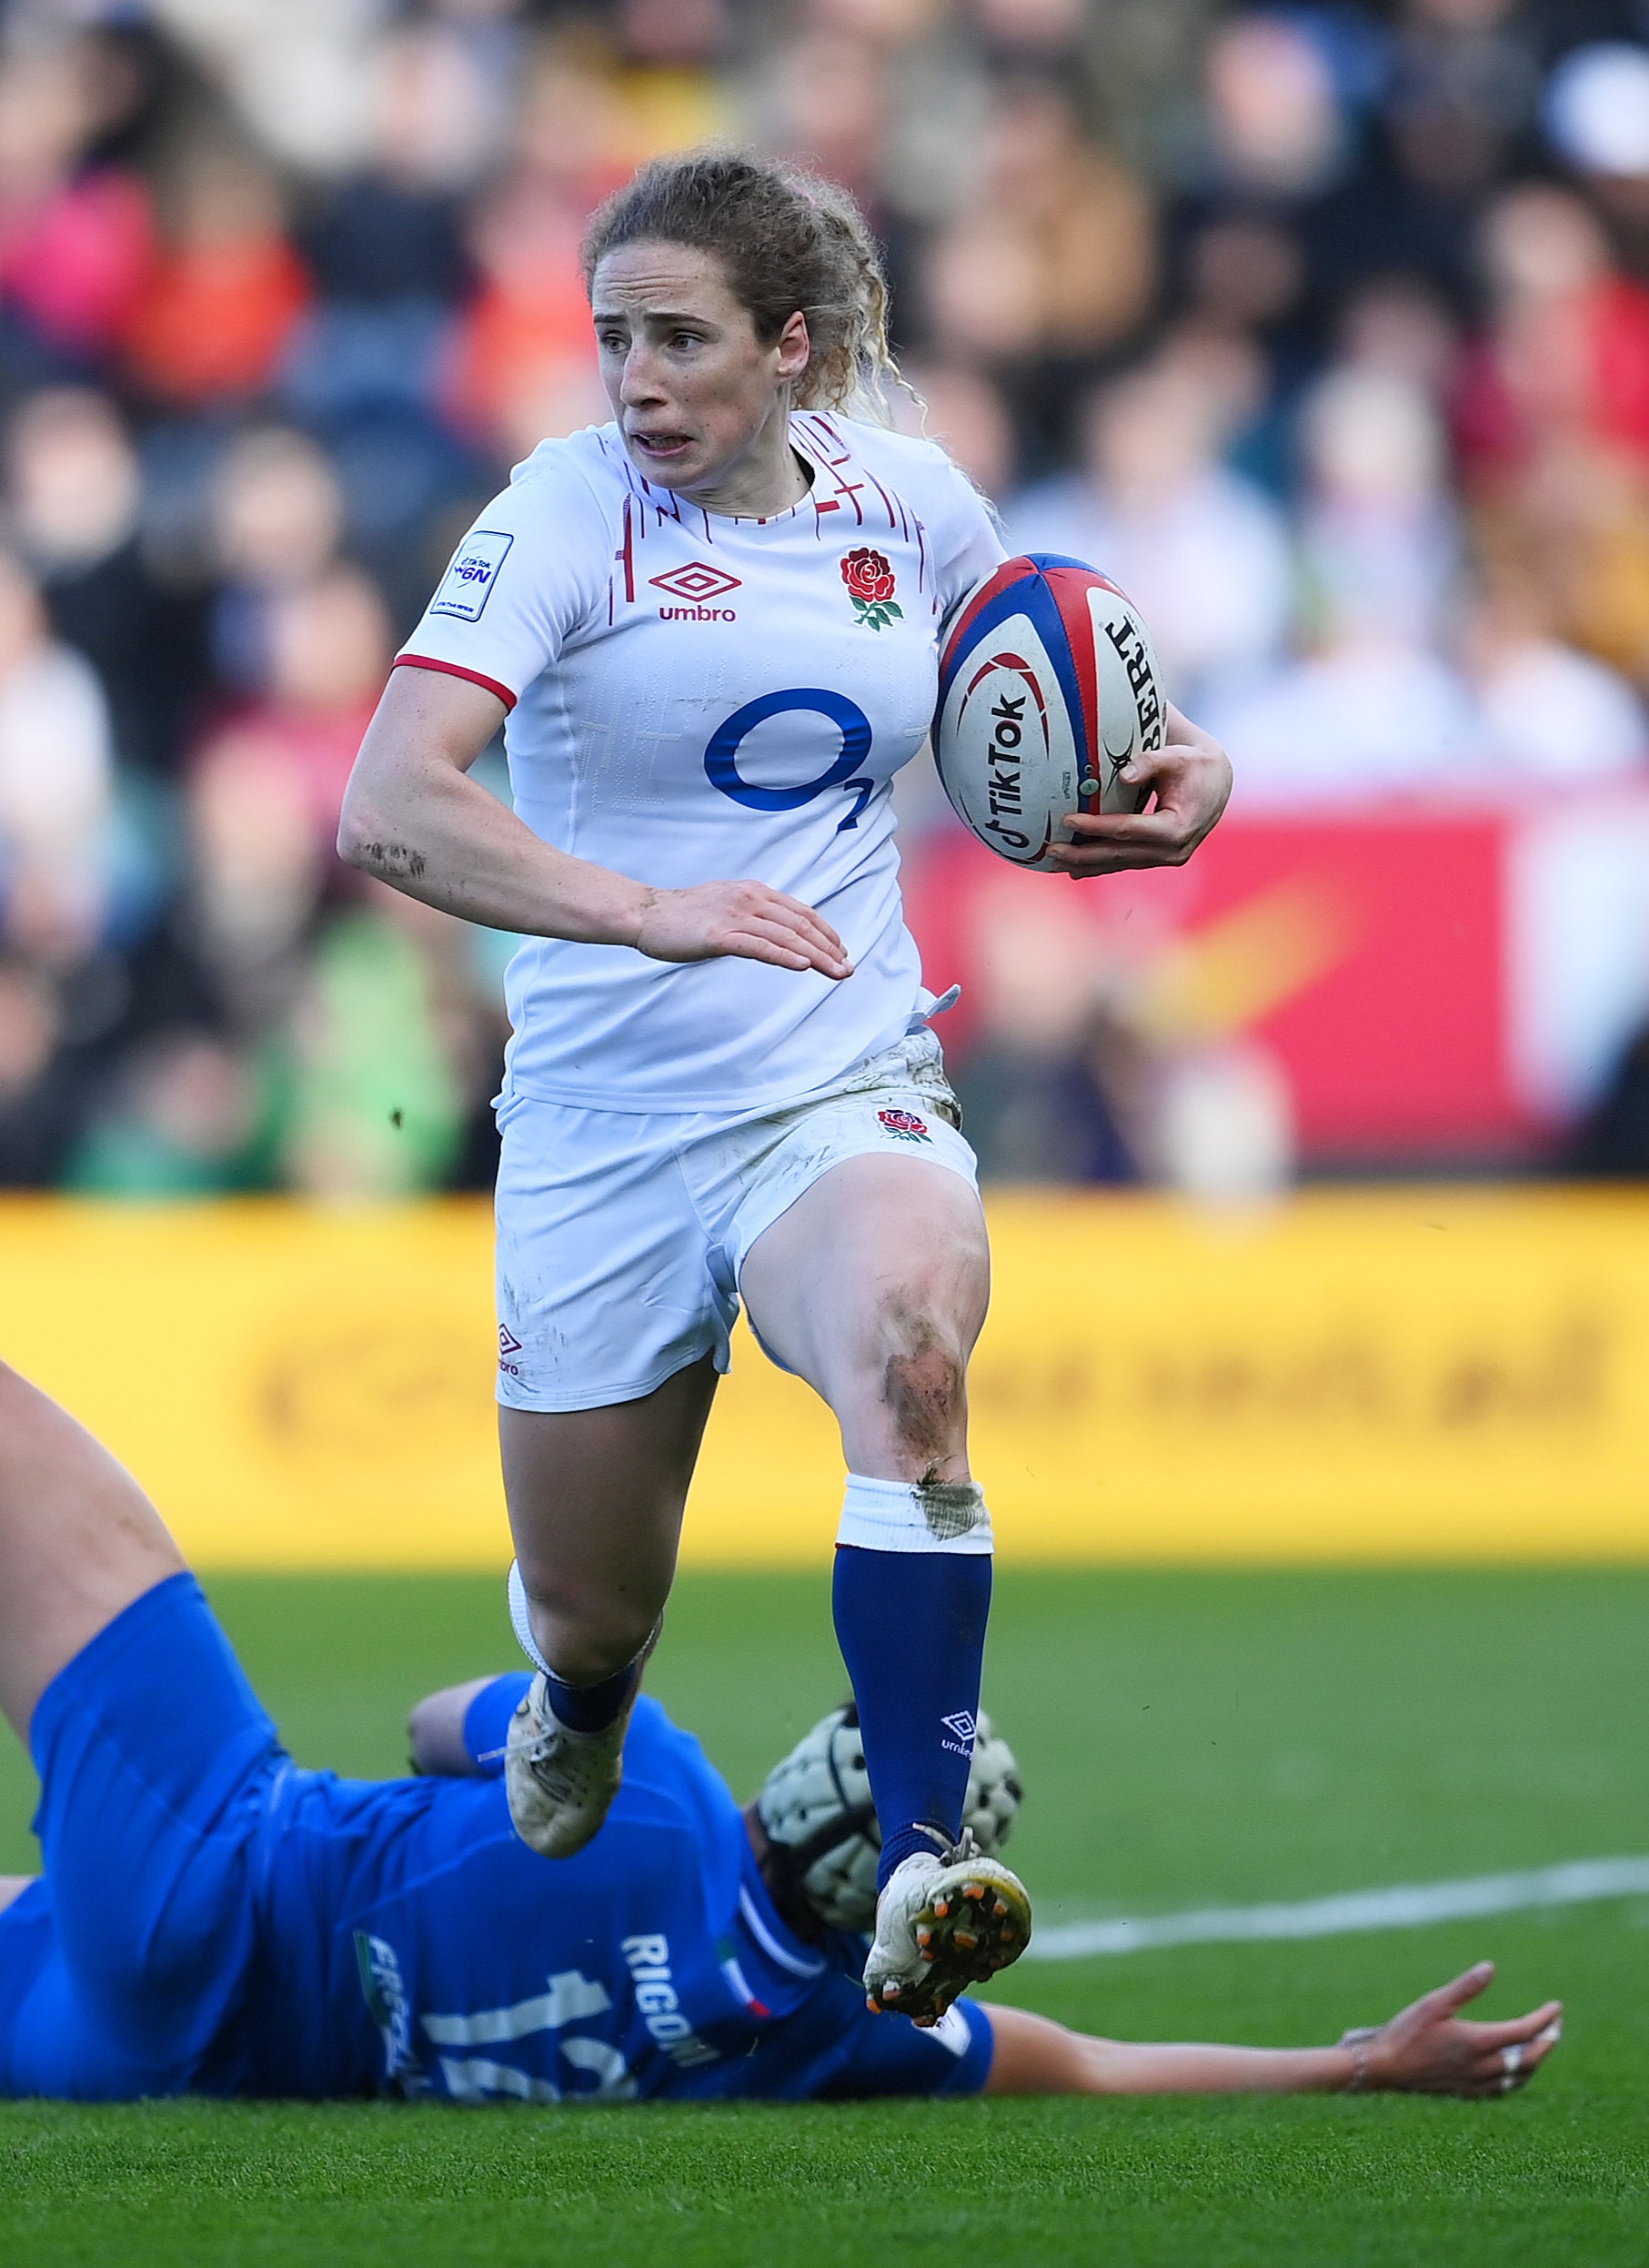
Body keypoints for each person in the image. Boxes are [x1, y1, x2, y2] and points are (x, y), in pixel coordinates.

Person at [0, 1085, 1558, 2110]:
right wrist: (1349, 2066)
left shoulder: (667, 1779)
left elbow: (423, 1717)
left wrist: (527, 1713)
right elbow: (1098, 2069)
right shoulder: (824, 2045)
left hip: (211, 1897)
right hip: (156, 2038)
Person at [334, 149, 1234, 2021]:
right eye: (611, 340)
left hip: (840, 1075)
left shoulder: (905, 504)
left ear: (791, 348)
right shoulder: (561, 512)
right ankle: (566, 1712)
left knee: (911, 1350)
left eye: (677, 339)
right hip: (600, 1122)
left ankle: (923, 1859)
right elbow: (389, 797)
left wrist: (1177, 766)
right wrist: (638, 909)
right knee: (592, 1615)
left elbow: (1052, 678)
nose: (633, 378)